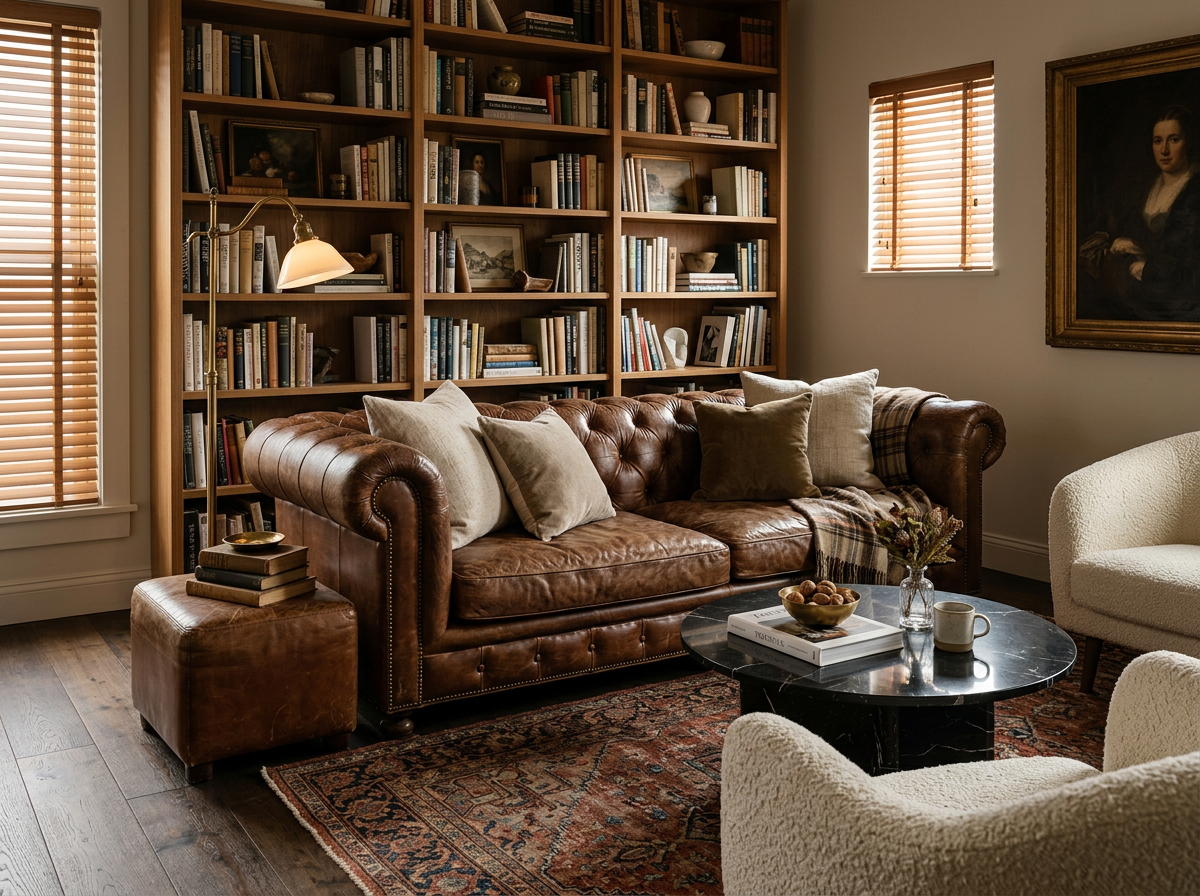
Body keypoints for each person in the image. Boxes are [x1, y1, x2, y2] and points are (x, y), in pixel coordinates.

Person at [1079, 105, 1200, 321]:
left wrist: (1145, 262)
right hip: (1140, 300)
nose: (1164, 150)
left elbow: (1188, 264)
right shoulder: (1144, 192)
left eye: (1173, 140)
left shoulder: (1195, 191)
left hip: (1179, 305)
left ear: (1188, 142)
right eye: (1157, 141)